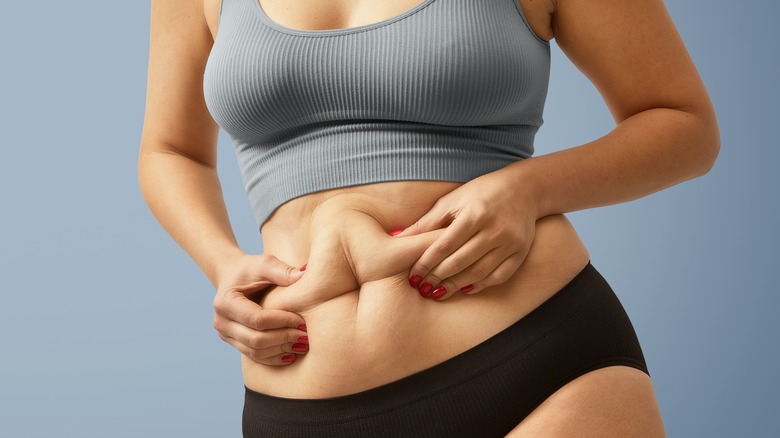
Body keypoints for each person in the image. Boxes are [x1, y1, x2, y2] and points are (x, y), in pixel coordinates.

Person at [139, 0, 719, 436]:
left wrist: (529, 189)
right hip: (296, 408)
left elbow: (684, 123)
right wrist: (222, 263)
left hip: (535, 372)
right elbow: (169, 150)